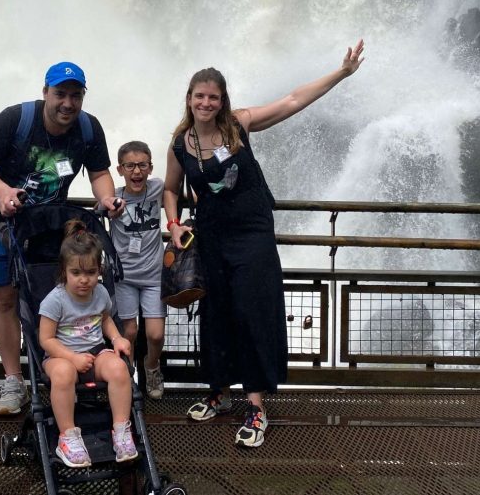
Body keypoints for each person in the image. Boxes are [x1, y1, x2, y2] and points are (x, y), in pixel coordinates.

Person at [163, 40, 364, 448]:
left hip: (252, 234)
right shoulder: (180, 143)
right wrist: (173, 223)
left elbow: (291, 101)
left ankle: (255, 405)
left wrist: (341, 73)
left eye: (213, 97)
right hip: (212, 236)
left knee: (253, 310)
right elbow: (170, 189)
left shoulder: (239, 124)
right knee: (216, 314)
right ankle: (218, 391)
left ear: (222, 101)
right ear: (189, 99)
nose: (206, 102)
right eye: (199, 96)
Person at [0, 61, 125, 414]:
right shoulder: (14, 120)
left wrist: (106, 199)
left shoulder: (88, 128)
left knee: (47, 295)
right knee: (5, 299)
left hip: (44, 228)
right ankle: (13, 381)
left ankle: (57, 371)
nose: (67, 103)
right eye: (60, 94)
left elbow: (99, 172)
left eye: (75, 95)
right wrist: (4, 192)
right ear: (45, 93)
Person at [39, 220, 138, 467]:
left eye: (91, 273)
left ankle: (121, 430)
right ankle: (68, 437)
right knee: (62, 374)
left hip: (94, 351)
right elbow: (46, 339)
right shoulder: (56, 300)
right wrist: (72, 358)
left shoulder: (101, 293)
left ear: (99, 271)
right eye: (76, 273)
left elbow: (105, 319)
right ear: (65, 271)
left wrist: (116, 338)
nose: (84, 280)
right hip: (61, 355)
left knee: (119, 368)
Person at [108, 140, 167, 399]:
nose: (137, 171)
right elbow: (98, 215)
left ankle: (152, 366)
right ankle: (127, 373)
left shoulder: (158, 188)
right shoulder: (113, 199)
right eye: (130, 166)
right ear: (120, 169)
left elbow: (176, 195)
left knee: (155, 333)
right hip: (125, 276)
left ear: (151, 167)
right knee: (129, 331)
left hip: (154, 274)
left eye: (142, 165)